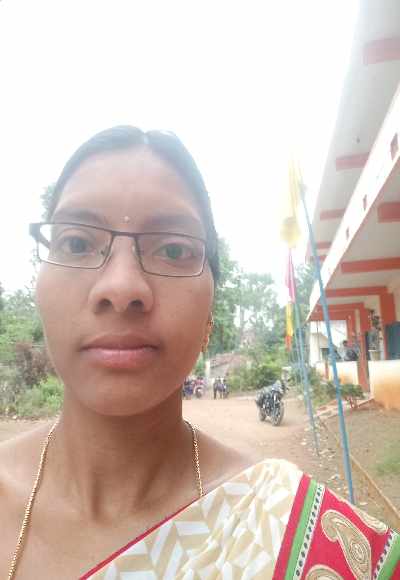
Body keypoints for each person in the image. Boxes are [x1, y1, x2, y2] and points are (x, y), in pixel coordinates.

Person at [0, 126, 398, 579]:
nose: (121, 287)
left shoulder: (303, 537)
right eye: (76, 243)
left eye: (173, 249)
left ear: (210, 313)